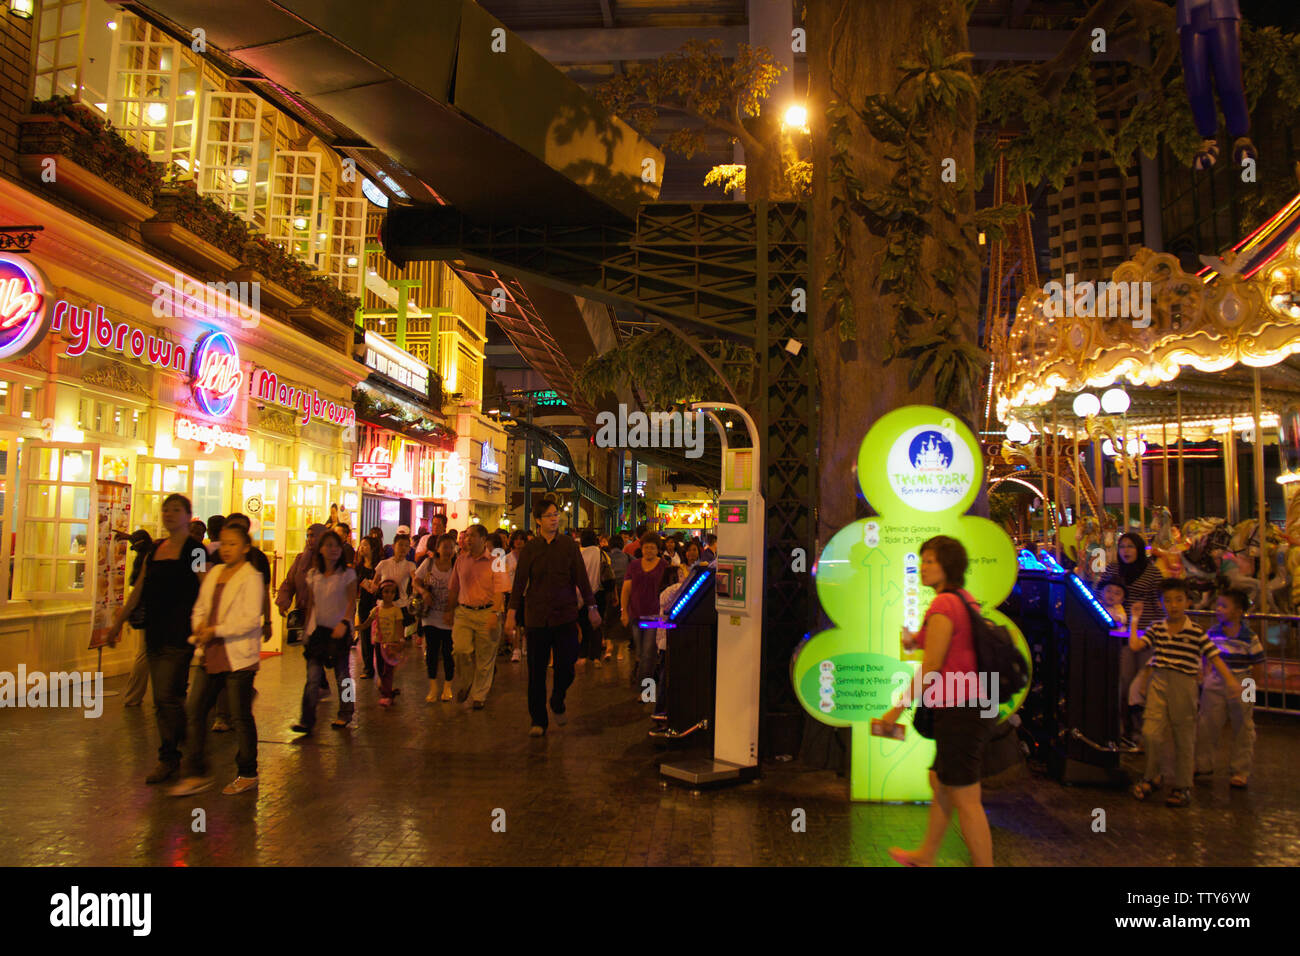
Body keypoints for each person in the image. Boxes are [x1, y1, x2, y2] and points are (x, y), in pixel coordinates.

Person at [880, 535, 995, 867]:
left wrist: (895, 710)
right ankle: (925, 855)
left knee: (966, 797)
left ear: (949, 565)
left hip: (961, 709)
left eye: (930, 560)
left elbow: (931, 666)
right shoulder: (963, 599)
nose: (924, 567)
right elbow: (927, 644)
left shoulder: (944, 605)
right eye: (923, 560)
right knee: (941, 782)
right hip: (969, 707)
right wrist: (912, 635)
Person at [105, 494, 208, 785]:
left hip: (181, 632)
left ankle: (179, 751)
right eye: (166, 510)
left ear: (188, 516)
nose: (169, 514)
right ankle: (177, 753)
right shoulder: (156, 549)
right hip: (155, 631)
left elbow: (206, 587)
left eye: (176, 510)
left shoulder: (195, 550)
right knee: (166, 699)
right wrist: (118, 622)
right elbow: (138, 590)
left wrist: (207, 623)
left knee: (165, 695)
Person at [169, 524, 264, 796]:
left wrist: (215, 630)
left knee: (240, 714)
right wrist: (199, 625)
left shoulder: (251, 577)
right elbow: (200, 606)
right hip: (210, 652)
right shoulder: (215, 574)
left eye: (233, 544)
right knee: (195, 709)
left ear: (245, 547)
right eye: (223, 544)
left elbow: (247, 620)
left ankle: (247, 771)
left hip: (238, 656)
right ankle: (195, 771)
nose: (226, 549)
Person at [1131, 578, 1241, 807]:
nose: (1173, 605)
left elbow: (1213, 656)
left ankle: (1182, 785)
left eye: (1178, 600)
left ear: (1187, 602)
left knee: (1184, 736)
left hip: (1184, 684)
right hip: (1159, 682)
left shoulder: (1196, 632)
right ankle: (1153, 775)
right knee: (1151, 732)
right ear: (1161, 604)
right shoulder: (1157, 629)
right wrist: (1134, 620)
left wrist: (1231, 681)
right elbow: (1135, 646)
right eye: (1168, 601)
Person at [506, 495, 601, 736]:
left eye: (556, 515)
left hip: (565, 615)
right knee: (536, 672)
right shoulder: (530, 549)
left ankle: (557, 699)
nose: (554, 520)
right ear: (538, 520)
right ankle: (538, 720)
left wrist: (591, 607)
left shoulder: (569, 546)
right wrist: (511, 613)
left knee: (567, 665)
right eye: (549, 516)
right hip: (537, 618)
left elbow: (581, 578)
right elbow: (519, 584)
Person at [207, 512, 273, 732]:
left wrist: (268, 621)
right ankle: (222, 714)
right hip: (216, 633)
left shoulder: (258, 560)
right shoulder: (217, 558)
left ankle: (230, 716)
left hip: (242, 635)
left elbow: (263, 591)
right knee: (217, 680)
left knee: (238, 679)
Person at [1099, 531, 1165, 747]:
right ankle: (1121, 728)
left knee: (1143, 683)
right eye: (1122, 547)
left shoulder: (1152, 573)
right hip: (1122, 634)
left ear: (1139, 549)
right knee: (1124, 682)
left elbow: (1159, 602)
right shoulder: (1113, 569)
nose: (1126, 551)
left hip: (1146, 633)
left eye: (1130, 547)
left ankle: (1141, 730)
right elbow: (1101, 592)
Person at [1194, 588, 1264, 788]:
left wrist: (1251, 688)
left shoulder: (1249, 637)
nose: (1218, 609)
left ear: (1238, 611)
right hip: (1215, 680)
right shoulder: (1212, 632)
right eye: (1218, 605)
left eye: (1224, 606)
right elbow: (1206, 656)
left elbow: (1258, 664)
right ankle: (1203, 764)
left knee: (1244, 725)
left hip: (1243, 680)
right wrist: (1206, 676)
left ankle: (1241, 769)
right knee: (1207, 723)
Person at [291, 530, 358, 735]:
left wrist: (345, 624)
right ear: (320, 549)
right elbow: (311, 605)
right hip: (318, 632)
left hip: (339, 631)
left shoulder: (347, 574)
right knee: (313, 678)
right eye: (328, 545)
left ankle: (346, 713)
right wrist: (306, 631)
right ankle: (306, 719)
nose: (333, 550)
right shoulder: (313, 575)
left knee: (343, 675)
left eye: (336, 545)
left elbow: (351, 603)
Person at [448, 524, 506, 711]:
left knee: (485, 657)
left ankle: (479, 695)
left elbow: (500, 591)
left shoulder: (496, 561)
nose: (468, 539)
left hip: (487, 612)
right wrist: (449, 610)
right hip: (464, 612)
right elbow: (454, 586)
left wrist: (494, 614)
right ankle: (466, 682)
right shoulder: (461, 560)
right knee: (460, 649)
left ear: (483, 539)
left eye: (472, 536)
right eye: (467, 536)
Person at [621, 532, 671, 686]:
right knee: (641, 652)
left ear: (658, 549)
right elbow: (626, 589)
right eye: (646, 547)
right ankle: (641, 672)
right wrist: (624, 611)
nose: (649, 551)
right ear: (641, 548)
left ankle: (646, 691)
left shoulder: (664, 565)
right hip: (636, 614)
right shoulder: (634, 565)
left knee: (648, 653)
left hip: (655, 616)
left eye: (652, 548)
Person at [415, 533, 457, 702]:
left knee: (448, 652)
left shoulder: (456, 565)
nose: (448, 550)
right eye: (445, 547)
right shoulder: (429, 563)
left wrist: (452, 609)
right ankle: (433, 687)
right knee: (432, 652)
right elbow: (415, 581)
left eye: (451, 547)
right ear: (437, 548)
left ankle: (447, 686)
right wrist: (424, 592)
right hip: (430, 615)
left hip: (450, 616)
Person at [359, 580, 407, 707]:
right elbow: (366, 624)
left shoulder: (396, 611)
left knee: (388, 670)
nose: (389, 595)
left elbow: (399, 627)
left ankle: (386, 695)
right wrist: (356, 628)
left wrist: (401, 640)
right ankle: (388, 692)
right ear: (381, 593)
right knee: (380, 669)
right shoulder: (376, 610)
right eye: (386, 592)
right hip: (379, 643)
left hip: (391, 644)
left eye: (392, 592)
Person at [121, 529, 154, 706]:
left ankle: (133, 695)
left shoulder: (142, 558)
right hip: (151, 611)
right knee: (145, 653)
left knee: (144, 653)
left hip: (145, 611)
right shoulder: (150, 557)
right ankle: (133, 696)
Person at [375, 533, 417, 635]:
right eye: (400, 545)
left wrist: (417, 589)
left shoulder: (410, 565)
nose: (403, 548)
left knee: (397, 638)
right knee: (382, 637)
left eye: (407, 546)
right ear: (393, 546)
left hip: (400, 605)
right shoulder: (383, 564)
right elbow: (375, 582)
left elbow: (414, 579)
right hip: (383, 606)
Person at [577, 529, 605, 667]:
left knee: (583, 625)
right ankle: (596, 657)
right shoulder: (600, 553)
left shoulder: (578, 553)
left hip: (580, 593)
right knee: (596, 626)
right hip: (597, 593)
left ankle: (582, 654)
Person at [355, 537, 380, 679]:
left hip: (377, 603)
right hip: (365, 603)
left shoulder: (379, 565)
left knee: (379, 635)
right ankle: (368, 668)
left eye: (365, 545)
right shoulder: (358, 567)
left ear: (372, 548)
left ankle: (381, 666)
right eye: (361, 545)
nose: (362, 548)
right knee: (365, 635)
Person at [605, 534, 630, 662]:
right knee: (621, 619)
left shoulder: (606, 557)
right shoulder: (627, 557)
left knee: (608, 619)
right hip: (624, 591)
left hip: (608, 591)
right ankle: (620, 652)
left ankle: (608, 647)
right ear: (622, 545)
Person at [504, 530, 528, 662]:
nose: (519, 542)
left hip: (527, 593)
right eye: (516, 539)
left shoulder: (528, 557)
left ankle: (524, 644)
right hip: (512, 593)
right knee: (516, 623)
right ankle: (516, 648)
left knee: (526, 622)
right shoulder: (507, 558)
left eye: (521, 539)